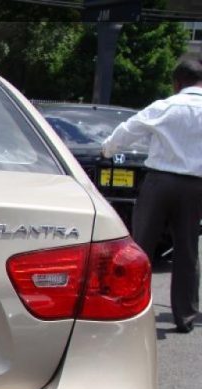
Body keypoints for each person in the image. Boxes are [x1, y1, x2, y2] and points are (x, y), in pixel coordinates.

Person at [102, 53, 202, 333]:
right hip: (195, 186)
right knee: (187, 251)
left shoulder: (164, 107)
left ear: (176, 82)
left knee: (141, 247)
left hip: (159, 183)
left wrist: (107, 149)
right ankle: (185, 317)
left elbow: (127, 130)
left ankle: (129, 308)